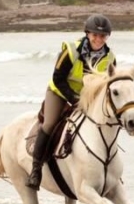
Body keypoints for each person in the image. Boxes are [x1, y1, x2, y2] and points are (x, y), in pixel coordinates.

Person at [26, 14, 116, 190]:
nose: (98, 39)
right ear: (87, 34)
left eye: (103, 36)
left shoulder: (110, 57)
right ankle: (36, 169)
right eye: (94, 35)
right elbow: (58, 78)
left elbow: (109, 84)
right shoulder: (71, 50)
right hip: (59, 92)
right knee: (50, 123)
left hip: (87, 98)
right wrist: (73, 99)